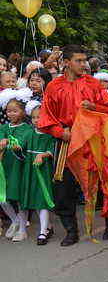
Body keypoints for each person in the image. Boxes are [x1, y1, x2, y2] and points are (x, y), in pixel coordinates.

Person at [38, 44, 108, 245]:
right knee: (64, 187)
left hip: (91, 141)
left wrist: (94, 106)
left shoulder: (93, 83)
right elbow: (46, 116)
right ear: (66, 63)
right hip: (66, 142)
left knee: (100, 183)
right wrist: (59, 131)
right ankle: (71, 231)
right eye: (79, 61)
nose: (84, 64)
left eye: (85, 60)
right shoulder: (54, 86)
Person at [20, 101, 56, 244]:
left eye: (39, 117)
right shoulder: (29, 133)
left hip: (43, 172)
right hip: (30, 171)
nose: (36, 120)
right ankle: (47, 227)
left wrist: (43, 155)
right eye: (34, 117)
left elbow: (52, 150)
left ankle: (42, 233)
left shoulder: (49, 135)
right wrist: (15, 145)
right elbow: (21, 146)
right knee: (35, 201)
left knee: (42, 200)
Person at [0, 99, 32, 241]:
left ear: (23, 112)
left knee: (19, 198)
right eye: (8, 111)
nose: (11, 113)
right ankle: (15, 221)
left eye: (15, 110)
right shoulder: (3, 128)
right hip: (4, 167)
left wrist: (12, 143)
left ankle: (23, 230)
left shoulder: (27, 129)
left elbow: (23, 144)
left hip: (18, 167)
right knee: (3, 198)